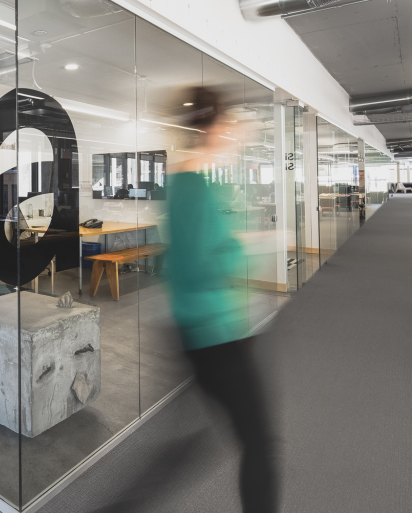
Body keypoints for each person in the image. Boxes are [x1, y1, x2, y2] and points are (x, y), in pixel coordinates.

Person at [165, 86, 278, 513]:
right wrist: (250, 242)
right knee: (259, 444)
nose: (233, 131)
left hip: (199, 327)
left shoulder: (183, 181)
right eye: (227, 123)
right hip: (212, 331)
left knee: (193, 445)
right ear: (212, 126)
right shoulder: (195, 185)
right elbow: (200, 265)